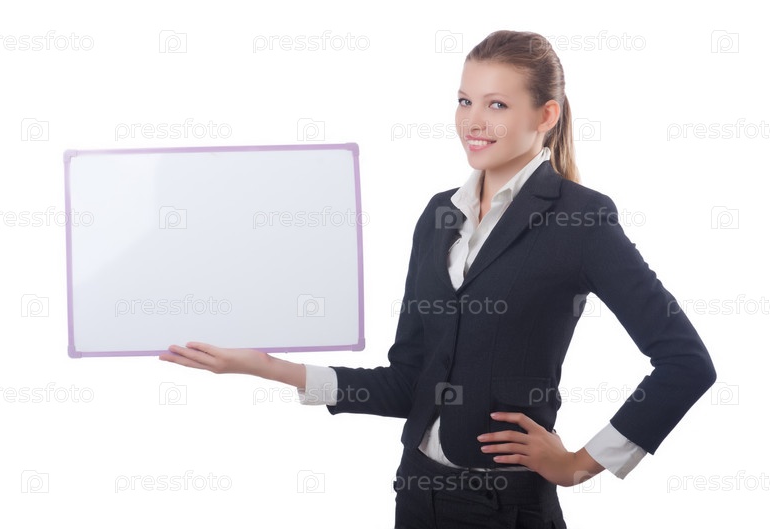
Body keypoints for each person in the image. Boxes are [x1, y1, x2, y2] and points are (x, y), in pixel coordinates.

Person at [160, 29, 717, 529]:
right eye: (464, 100)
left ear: (545, 116)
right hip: (415, 494)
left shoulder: (581, 219)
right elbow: (409, 382)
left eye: (497, 104)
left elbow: (686, 363)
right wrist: (265, 366)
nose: (473, 121)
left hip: (505, 506)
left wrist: (578, 464)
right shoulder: (439, 216)